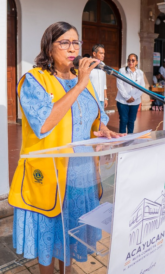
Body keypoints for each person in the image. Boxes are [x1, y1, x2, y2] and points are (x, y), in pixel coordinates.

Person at [8, 22, 124, 274]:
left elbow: (96, 115)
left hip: (82, 171)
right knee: (49, 233)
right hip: (50, 172)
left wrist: (103, 129)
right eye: (65, 43)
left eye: (76, 42)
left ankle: (68, 270)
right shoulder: (33, 80)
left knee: (72, 229)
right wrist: (80, 84)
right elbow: (44, 123)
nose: (72, 48)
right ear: (49, 48)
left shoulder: (83, 80)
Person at [116, 53, 145, 133]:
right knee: (123, 120)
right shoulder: (122, 71)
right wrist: (127, 97)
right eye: (129, 60)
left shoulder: (140, 73)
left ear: (137, 62)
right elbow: (119, 85)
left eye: (133, 60)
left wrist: (134, 97)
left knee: (131, 121)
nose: (130, 62)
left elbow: (142, 87)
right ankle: (121, 140)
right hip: (122, 101)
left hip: (135, 102)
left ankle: (130, 139)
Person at [89, 44, 108, 110]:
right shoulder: (88, 64)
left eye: (104, 53)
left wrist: (105, 98)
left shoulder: (103, 65)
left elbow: (104, 84)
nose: (103, 55)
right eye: (101, 53)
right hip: (91, 99)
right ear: (94, 53)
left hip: (101, 99)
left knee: (100, 119)